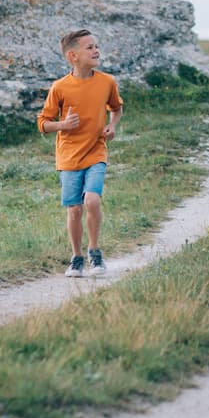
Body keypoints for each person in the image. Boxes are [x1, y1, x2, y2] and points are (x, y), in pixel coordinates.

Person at [37, 29, 124, 278]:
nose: (96, 50)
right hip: (68, 156)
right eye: (89, 47)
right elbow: (43, 123)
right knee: (74, 210)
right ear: (73, 56)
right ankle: (76, 258)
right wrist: (61, 125)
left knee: (92, 200)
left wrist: (112, 125)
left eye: (97, 46)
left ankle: (95, 253)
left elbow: (116, 109)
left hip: (96, 151)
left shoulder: (107, 81)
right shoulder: (60, 87)